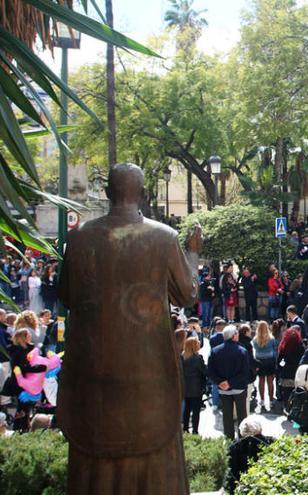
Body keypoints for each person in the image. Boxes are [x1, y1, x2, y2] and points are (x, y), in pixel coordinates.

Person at [57, 163, 202, 495]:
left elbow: (66, 296)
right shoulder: (164, 238)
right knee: (154, 461)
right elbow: (188, 295)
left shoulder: (79, 239)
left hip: (94, 381)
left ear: (107, 194)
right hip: (149, 379)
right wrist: (193, 254)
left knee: (94, 467)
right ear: (145, 194)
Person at [207, 325, 251, 440]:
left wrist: (220, 382)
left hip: (223, 389)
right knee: (242, 415)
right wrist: (230, 383)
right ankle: (243, 439)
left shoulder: (215, 351)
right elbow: (245, 372)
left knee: (227, 416)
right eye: (236, 333)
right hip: (239, 388)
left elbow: (210, 371)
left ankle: (229, 440)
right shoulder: (242, 351)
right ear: (233, 336)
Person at [225, 418, 274, 494]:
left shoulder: (234, 447)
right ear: (260, 430)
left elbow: (231, 473)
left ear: (242, 432)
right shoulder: (270, 443)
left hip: (240, 487)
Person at [181, 337, 207, 435]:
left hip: (185, 387)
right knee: (196, 411)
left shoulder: (182, 357)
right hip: (196, 388)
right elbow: (204, 371)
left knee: (187, 409)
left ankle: (185, 428)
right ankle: (195, 430)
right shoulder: (197, 358)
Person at [276, 327, 305, 409]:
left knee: (287, 395)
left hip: (286, 375)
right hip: (297, 375)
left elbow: (278, 362)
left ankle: (287, 409)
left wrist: (281, 370)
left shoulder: (283, 347)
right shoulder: (301, 347)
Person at [252, 321, 277, 410]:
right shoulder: (272, 338)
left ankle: (262, 400)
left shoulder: (255, 339)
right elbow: (275, 349)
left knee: (261, 381)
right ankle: (270, 400)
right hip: (270, 361)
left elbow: (254, 349)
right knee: (270, 381)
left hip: (259, 361)